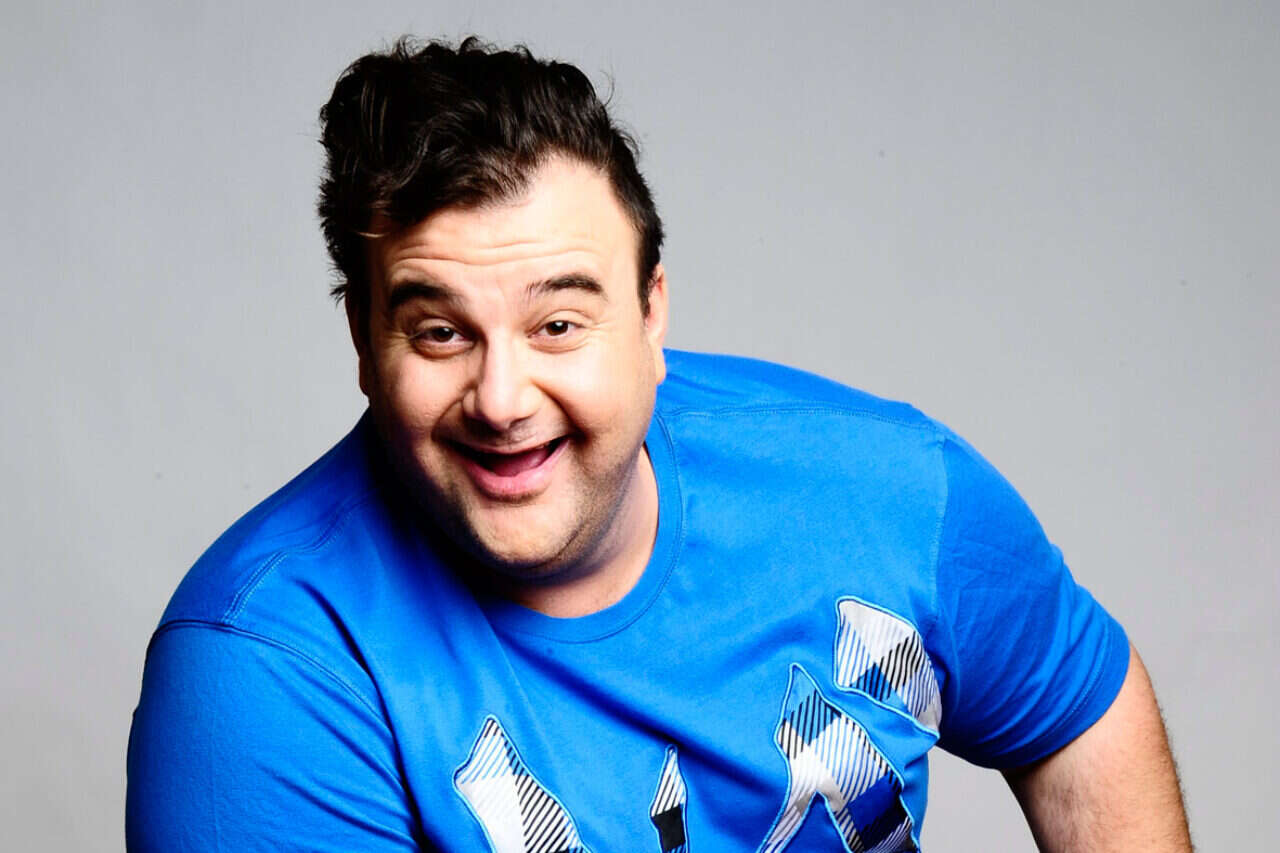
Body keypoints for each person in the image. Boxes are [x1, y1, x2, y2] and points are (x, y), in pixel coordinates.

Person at [126, 37, 1192, 852]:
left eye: (557, 323)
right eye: (441, 331)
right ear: (365, 344)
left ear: (650, 316)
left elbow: (1076, 716)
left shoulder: (882, 487)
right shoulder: (265, 666)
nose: (502, 399)